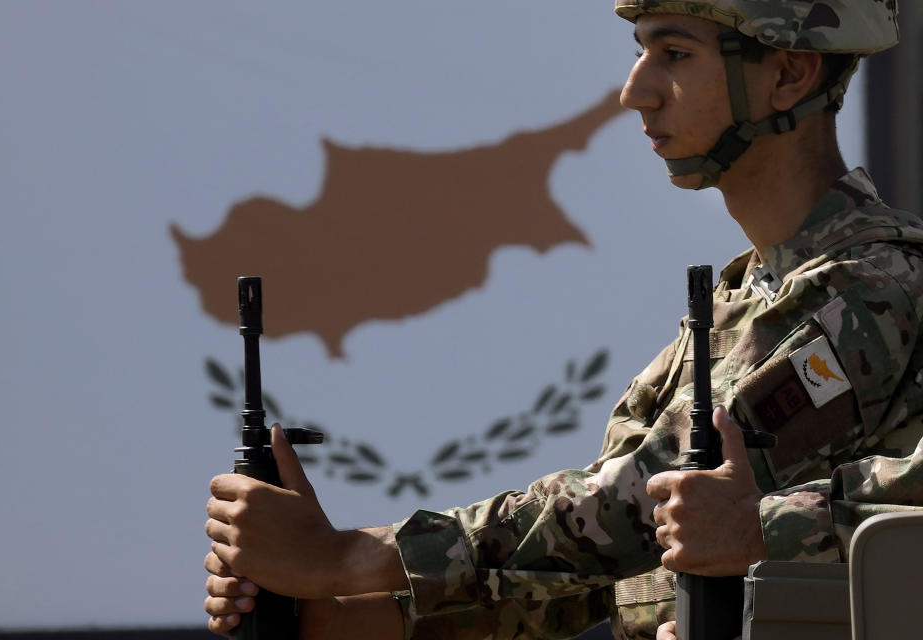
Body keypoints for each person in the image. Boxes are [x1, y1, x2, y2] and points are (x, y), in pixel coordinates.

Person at [203, 1, 923, 638]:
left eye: (675, 55)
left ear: (790, 74)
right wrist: (350, 613)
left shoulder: (872, 285)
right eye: (640, 52)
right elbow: (604, 581)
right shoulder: (746, 300)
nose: (635, 92)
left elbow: (633, 507)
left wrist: (349, 559)